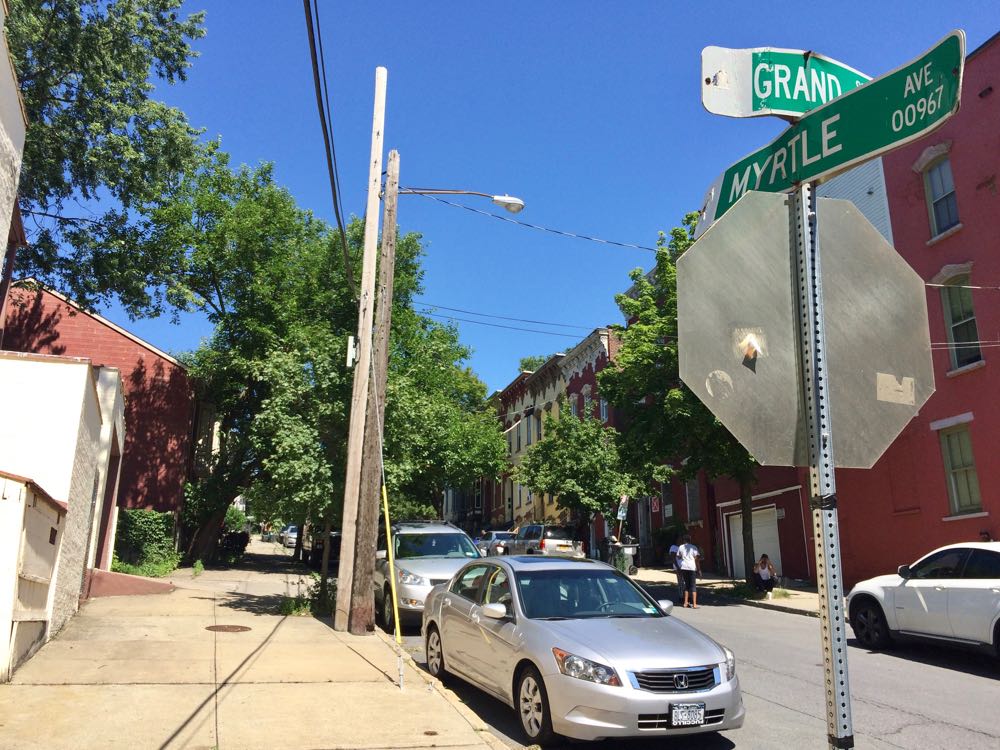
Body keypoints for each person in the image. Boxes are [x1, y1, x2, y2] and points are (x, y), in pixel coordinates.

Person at [676, 534, 702, 608]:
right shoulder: (694, 547)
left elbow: (678, 556)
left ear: (684, 540)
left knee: (686, 585)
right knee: (693, 585)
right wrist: (699, 570)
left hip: (684, 567)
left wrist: (682, 560)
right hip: (692, 567)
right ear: (690, 540)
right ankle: (694, 604)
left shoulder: (681, 547)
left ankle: (685, 603)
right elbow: (697, 559)